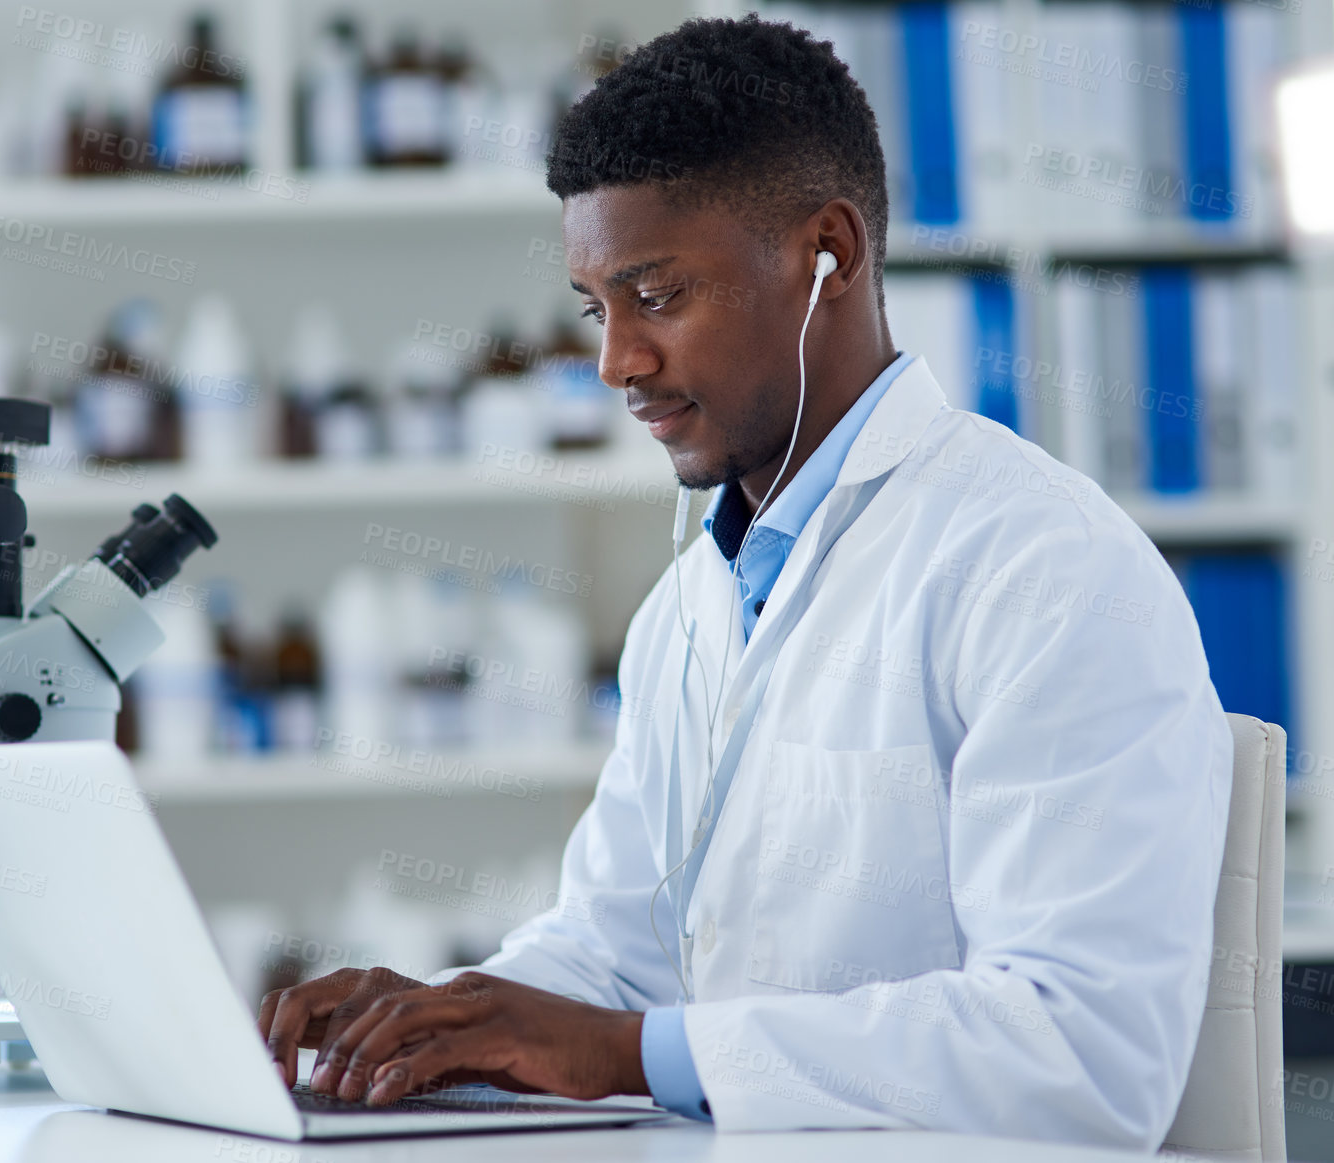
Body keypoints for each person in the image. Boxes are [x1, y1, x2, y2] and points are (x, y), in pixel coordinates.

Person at [258, 16, 1231, 1149]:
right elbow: (611, 949)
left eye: (657, 294)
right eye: (595, 308)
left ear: (831, 252)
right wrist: (429, 1024)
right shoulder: (691, 605)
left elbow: (1082, 1051)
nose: (617, 359)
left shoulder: (1045, 568)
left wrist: (626, 1052)